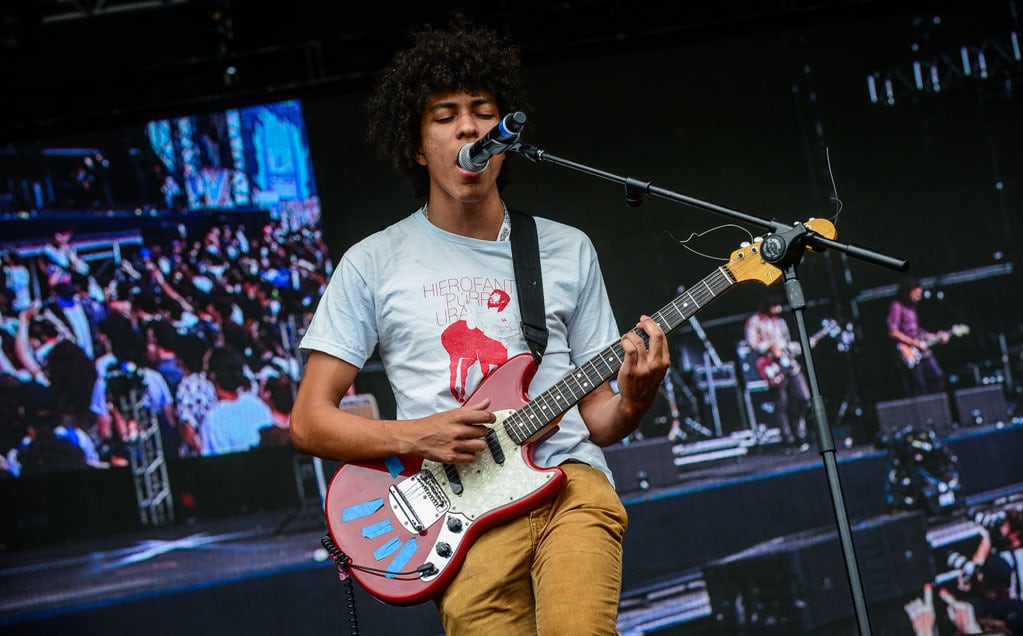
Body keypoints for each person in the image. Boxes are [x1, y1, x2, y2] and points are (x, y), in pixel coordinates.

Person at [290, 14, 669, 635]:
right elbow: (309, 420)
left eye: (484, 112)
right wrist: (419, 436)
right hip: (461, 522)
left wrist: (636, 397)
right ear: (418, 146)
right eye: (445, 116)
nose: (469, 126)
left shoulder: (565, 249)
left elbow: (601, 420)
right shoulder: (372, 263)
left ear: (505, 135)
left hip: (569, 487)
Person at [744, 289, 811, 450]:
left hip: (789, 363)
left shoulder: (780, 322)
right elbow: (752, 343)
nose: (778, 308)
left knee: (804, 397)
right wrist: (769, 347)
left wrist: (801, 346)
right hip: (772, 365)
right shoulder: (754, 321)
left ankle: (797, 427)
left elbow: (786, 343)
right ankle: (788, 439)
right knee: (781, 403)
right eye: (774, 305)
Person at [888, 276, 947, 396]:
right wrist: (914, 343)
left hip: (921, 347)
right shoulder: (897, 306)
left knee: (938, 376)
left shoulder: (912, 308)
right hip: (909, 350)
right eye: (916, 294)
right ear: (908, 292)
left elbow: (917, 331)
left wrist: (935, 336)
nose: (918, 297)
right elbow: (893, 331)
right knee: (919, 383)